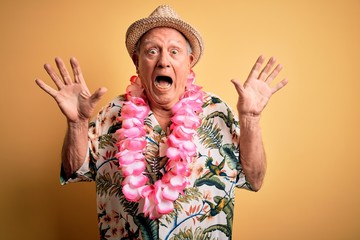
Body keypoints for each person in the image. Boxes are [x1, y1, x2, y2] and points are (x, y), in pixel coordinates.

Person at [35, 5, 288, 240]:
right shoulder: (112, 113)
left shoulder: (217, 112)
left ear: (189, 63)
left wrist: (251, 120)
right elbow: (74, 169)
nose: (163, 61)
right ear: (137, 62)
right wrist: (77, 123)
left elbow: (254, 178)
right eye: (152, 51)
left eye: (174, 51)